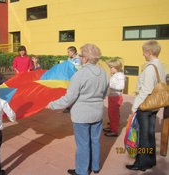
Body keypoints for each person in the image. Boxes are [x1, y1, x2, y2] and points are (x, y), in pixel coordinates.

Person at [46, 44, 109, 175]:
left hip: (82, 115)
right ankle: (95, 166)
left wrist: (52, 105)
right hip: (97, 112)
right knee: (95, 140)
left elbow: (69, 98)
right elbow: (105, 93)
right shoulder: (103, 73)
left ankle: (82, 171)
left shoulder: (80, 75)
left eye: (80, 55)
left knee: (83, 144)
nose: (79, 57)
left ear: (86, 59)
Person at [126, 40, 166, 172]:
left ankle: (141, 163)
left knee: (143, 136)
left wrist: (134, 107)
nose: (142, 54)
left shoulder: (150, 68)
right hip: (154, 106)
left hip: (145, 105)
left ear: (149, 52)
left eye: (144, 51)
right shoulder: (161, 66)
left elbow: (146, 90)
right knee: (150, 134)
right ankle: (150, 161)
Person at [103, 59, 125, 137]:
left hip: (116, 97)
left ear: (116, 67)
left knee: (114, 114)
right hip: (112, 96)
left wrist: (111, 86)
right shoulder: (116, 75)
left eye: (111, 67)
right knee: (111, 113)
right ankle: (111, 127)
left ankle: (114, 130)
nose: (110, 68)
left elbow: (122, 86)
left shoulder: (120, 75)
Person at [63, 46, 81, 113]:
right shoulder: (69, 59)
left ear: (73, 52)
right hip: (70, 79)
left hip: (78, 79)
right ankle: (68, 107)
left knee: (77, 93)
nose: (67, 53)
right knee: (69, 92)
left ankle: (77, 107)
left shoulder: (80, 58)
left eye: (68, 52)